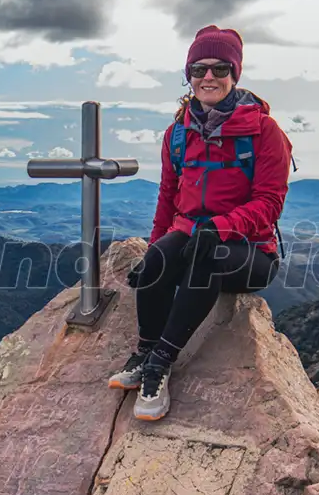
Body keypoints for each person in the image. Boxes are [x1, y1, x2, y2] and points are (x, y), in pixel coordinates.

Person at [108, 25, 293, 421]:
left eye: (220, 68)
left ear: (234, 73)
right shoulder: (177, 134)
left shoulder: (264, 132)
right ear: (188, 74)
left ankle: (161, 362)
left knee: (208, 257)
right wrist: (153, 250)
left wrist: (221, 227)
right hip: (193, 234)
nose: (208, 76)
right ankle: (144, 350)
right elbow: (168, 198)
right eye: (198, 68)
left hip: (251, 252)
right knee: (161, 258)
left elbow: (269, 203)